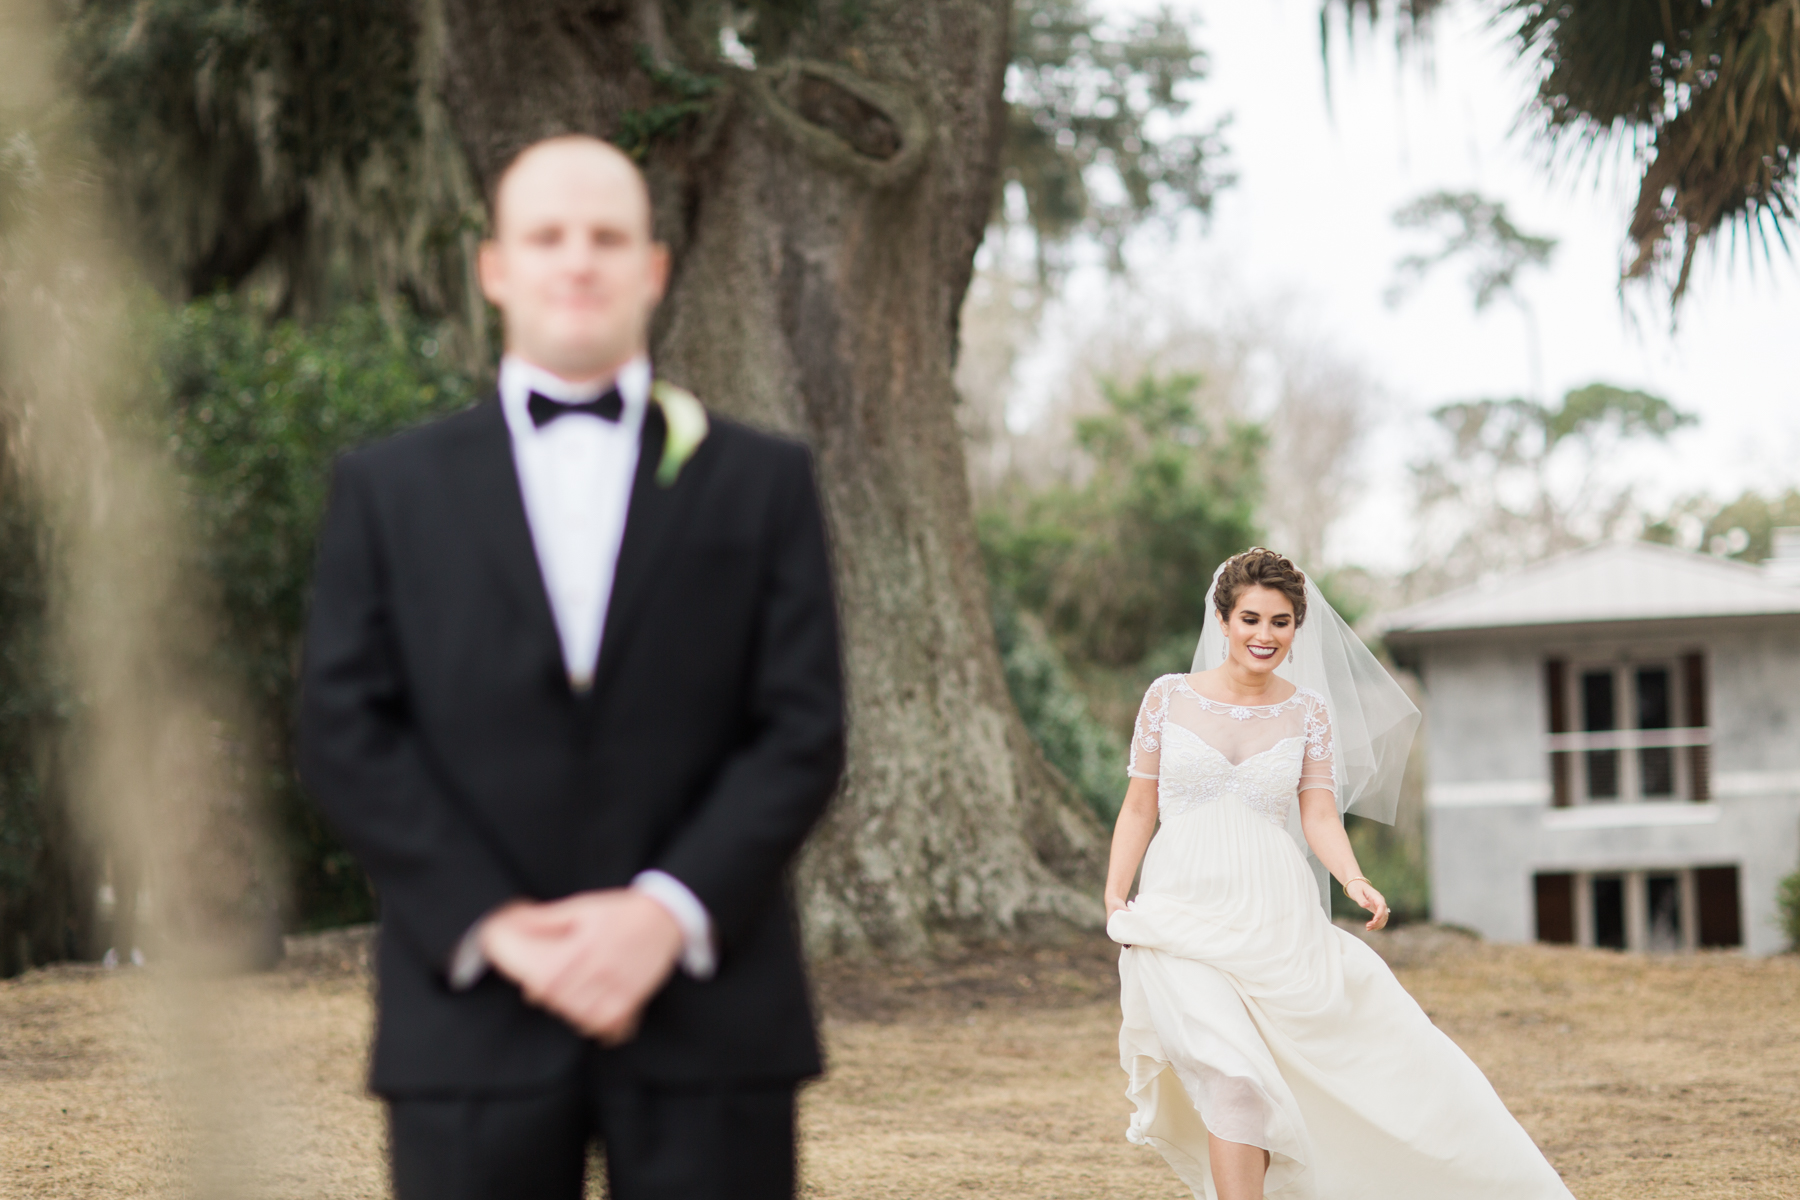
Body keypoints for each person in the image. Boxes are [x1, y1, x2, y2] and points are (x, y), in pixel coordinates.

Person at [297, 135, 845, 1200]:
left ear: (654, 268)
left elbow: (801, 727)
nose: (578, 261)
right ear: (495, 268)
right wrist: (499, 927)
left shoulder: (764, 482)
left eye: (607, 236)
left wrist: (663, 914)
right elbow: (344, 728)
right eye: (548, 236)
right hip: (468, 1023)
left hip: (711, 1016)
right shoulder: (387, 489)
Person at [1104, 548, 1574, 1200]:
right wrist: (1115, 895)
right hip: (1179, 914)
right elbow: (1139, 805)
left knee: (1294, 1079)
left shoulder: (1307, 713)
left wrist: (1353, 879)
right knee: (1232, 1077)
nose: (1264, 635)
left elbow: (1319, 814)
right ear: (1222, 619)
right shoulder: (1167, 698)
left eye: (1281, 621)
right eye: (1250, 619)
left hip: (1275, 918)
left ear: (1299, 628)